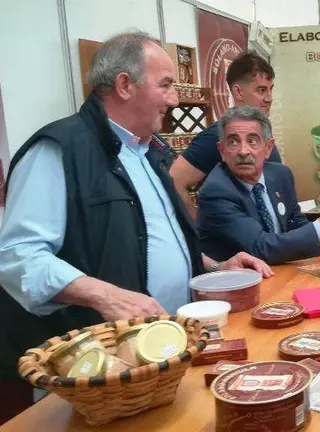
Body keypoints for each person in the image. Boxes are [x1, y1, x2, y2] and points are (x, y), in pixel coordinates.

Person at [0, 32, 273, 423]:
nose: (175, 99)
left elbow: (159, 237)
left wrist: (213, 269)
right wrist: (103, 295)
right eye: (165, 85)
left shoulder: (150, 151)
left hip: (159, 360)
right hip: (98, 376)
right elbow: (16, 256)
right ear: (125, 85)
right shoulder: (59, 149)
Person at [196, 106, 320, 264]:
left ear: (268, 148)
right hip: (239, 288)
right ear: (222, 151)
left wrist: (317, 238)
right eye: (234, 142)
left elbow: (294, 222)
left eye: (252, 141)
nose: (243, 151)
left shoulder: (280, 175)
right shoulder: (216, 192)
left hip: (278, 274)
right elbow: (261, 248)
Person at [170, 51, 281, 218]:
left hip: (271, 238)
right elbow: (175, 181)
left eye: (270, 89)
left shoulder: (262, 130)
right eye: (261, 90)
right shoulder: (217, 135)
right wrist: (198, 231)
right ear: (238, 92)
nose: (269, 98)